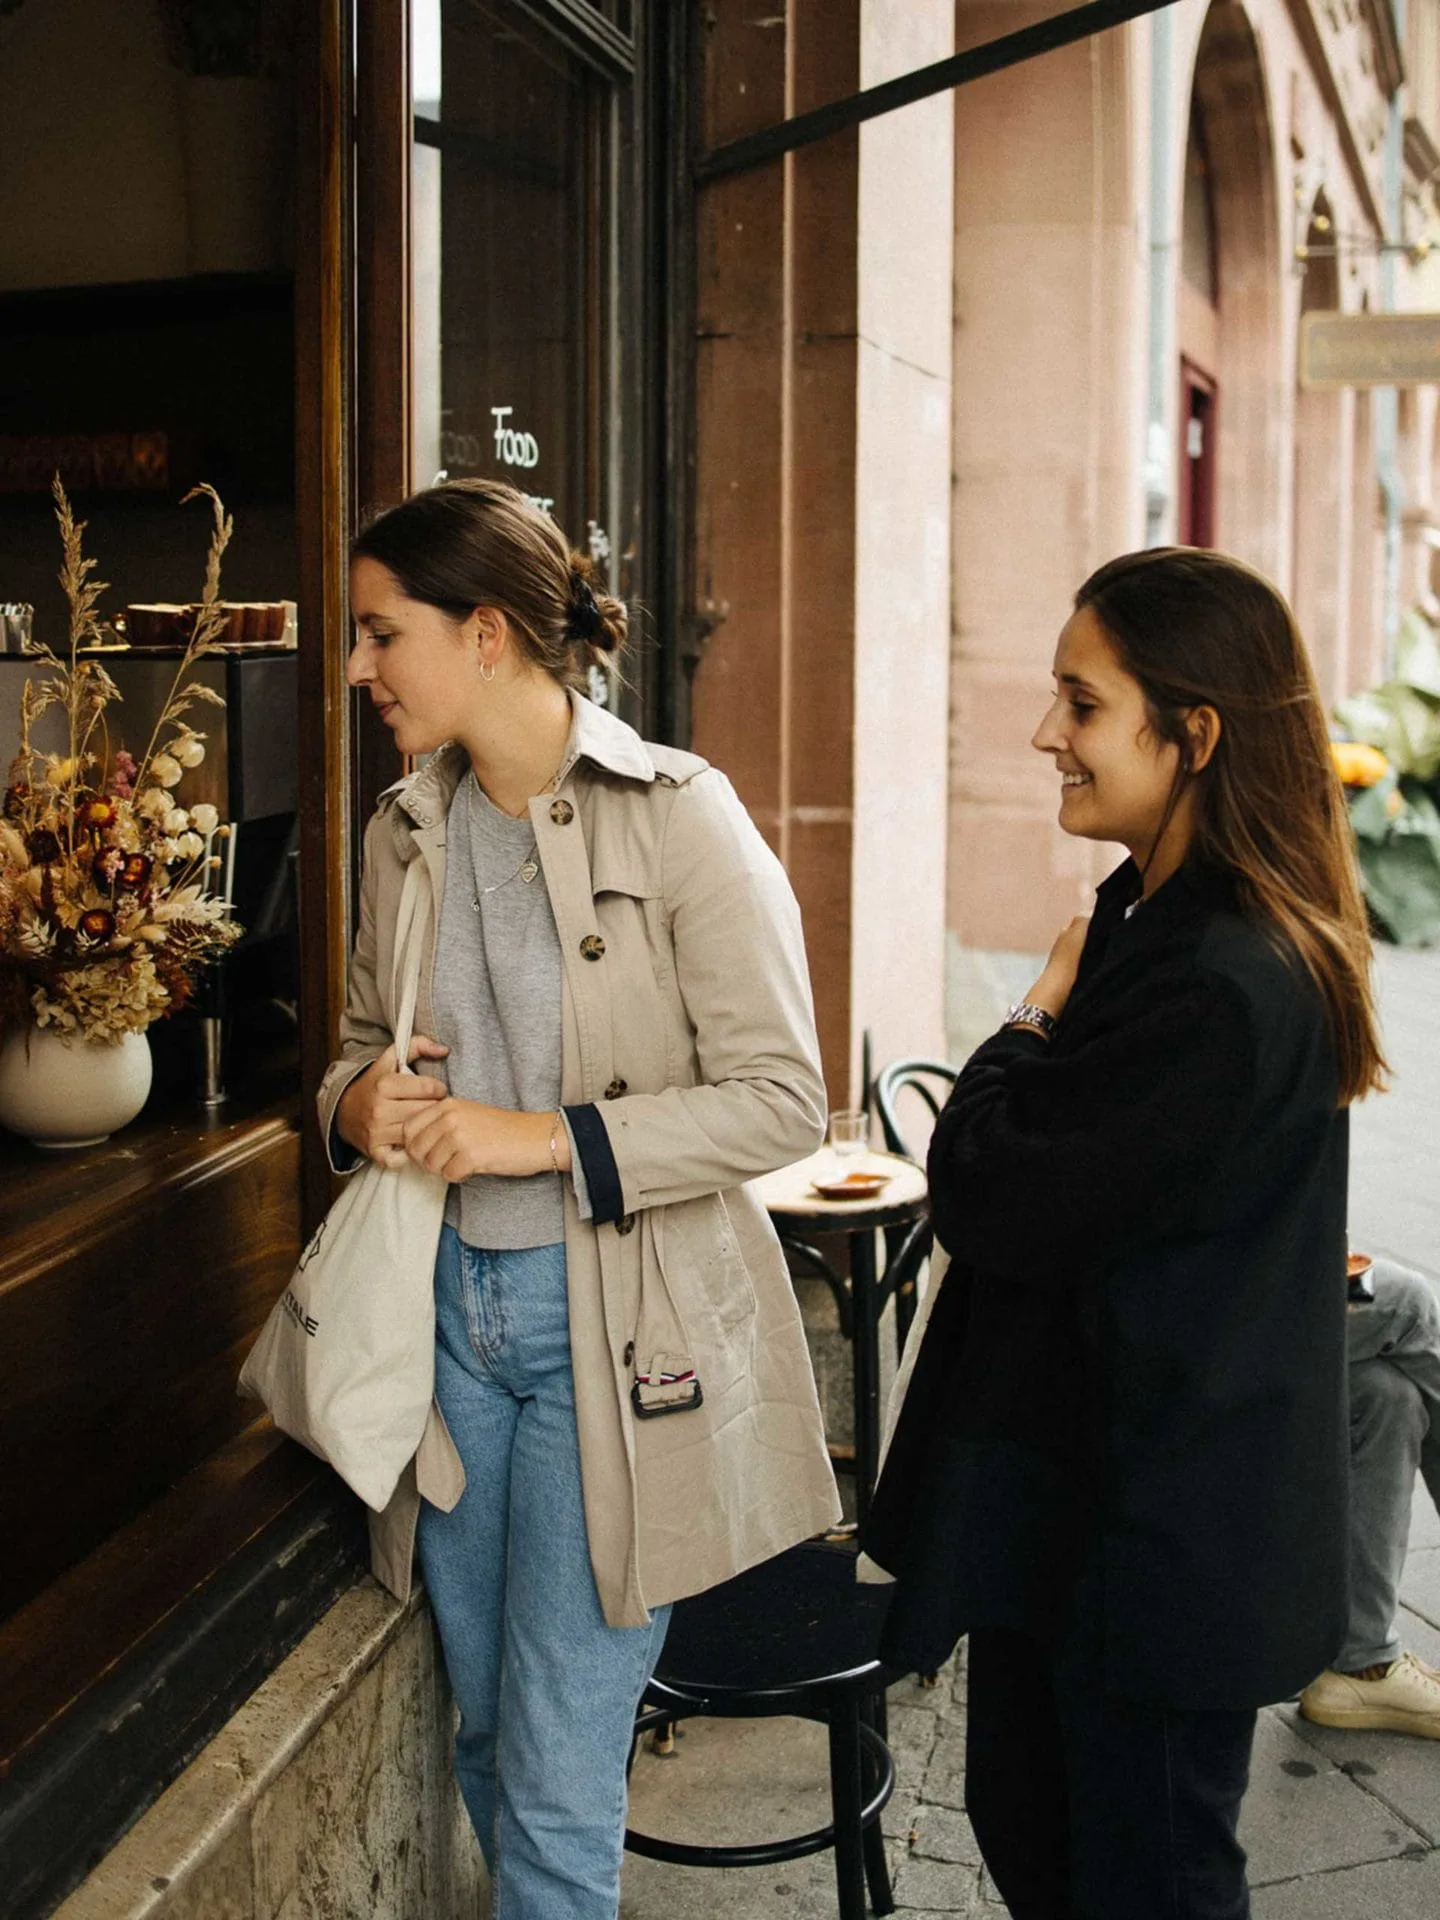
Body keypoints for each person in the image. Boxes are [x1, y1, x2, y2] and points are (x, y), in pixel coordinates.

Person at [316, 478, 839, 1917]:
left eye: (381, 634)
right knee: (490, 1733)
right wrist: (358, 1104)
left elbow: (785, 1101)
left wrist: (539, 1138)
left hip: (612, 1340)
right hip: (444, 1329)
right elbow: (360, 1060)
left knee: (552, 1779)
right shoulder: (401, 831)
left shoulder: (681, 816)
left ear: (485, 633)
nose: (358, 670)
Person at [864, 546, 1387, 1920]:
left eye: (1080, 704)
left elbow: (982, 1191)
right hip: (1088, 1504)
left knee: (1143, 1876)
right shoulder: (1160, 914)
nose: (1046, 734)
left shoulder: (1221, 973)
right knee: (1037, 1829)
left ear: (1193, 732)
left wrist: (1028, 1014)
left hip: (1157, 1544)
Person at [1300, 1253, 1440, 1738]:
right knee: (1410, 1303)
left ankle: (1362, 1662)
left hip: (1219, 1288)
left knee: (1386, 1398)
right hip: (1196, 1306)